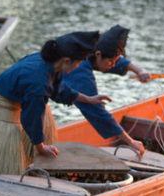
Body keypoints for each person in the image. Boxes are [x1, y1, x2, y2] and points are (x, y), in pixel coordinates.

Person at [0, 30, 110, 191]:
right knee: (3, 178)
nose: (79, 66)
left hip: (8, 109)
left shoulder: (49, 63)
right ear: (66, 60)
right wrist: (40, 147)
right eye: (78, 63)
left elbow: (59, 90)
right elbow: (32, 116)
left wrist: (89, 99)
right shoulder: (38, 80)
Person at [62, 24, 149, 156]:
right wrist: (130, 141)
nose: (113, 65)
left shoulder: (88, 49)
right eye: (111, 62)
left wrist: (138, 71)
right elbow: (96, 111)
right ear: (98, 54)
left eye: (115, 61)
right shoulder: (78, 69)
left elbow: (112, 61)